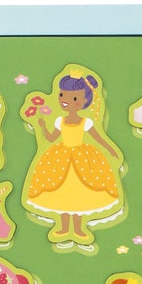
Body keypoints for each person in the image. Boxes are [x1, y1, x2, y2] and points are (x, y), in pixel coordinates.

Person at [23, 71, 123, 249]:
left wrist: (111, 151)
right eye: (62, 95)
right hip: (60, 159)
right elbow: (51, 137)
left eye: (74, 98)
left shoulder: (86, 122)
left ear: (84, 101)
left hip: (82, 159)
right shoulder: (59, 120)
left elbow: (99, 138)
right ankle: (63, 228)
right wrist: (41, 126)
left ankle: (77, 228)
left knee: (79, 194)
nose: (65, 100)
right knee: (61, 193)